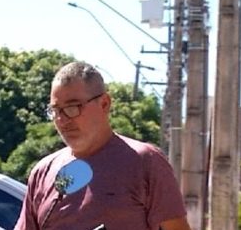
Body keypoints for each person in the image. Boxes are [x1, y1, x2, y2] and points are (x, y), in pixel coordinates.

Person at [14, 61, 191, 230]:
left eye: (73, 107)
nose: (62, 119)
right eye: (55, 110)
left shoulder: (145, 161)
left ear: (104, 103)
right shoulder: (43, 172)